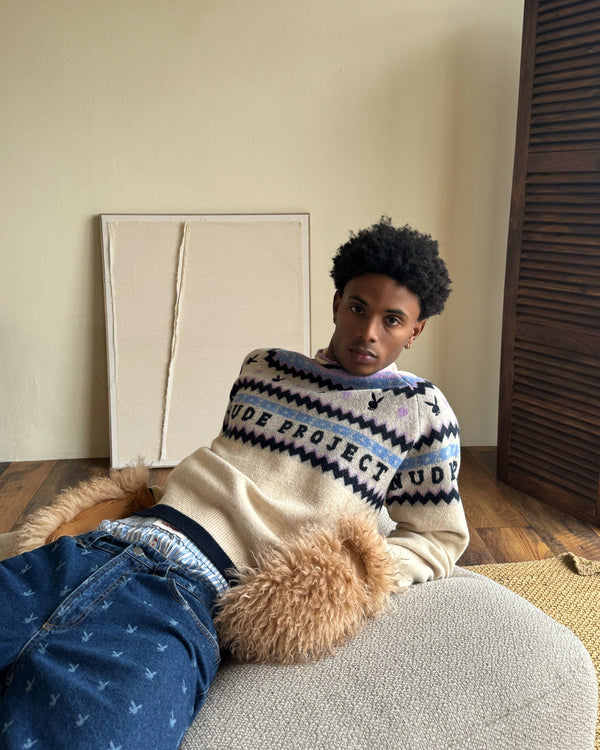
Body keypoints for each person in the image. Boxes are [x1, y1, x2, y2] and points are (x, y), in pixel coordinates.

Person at [0, 216, 469, 749]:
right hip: (98, 547)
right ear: (337, 302)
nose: (369, 332)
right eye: (358, 308)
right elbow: (232, 464)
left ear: (416, 330)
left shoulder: (419, 410)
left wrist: (358, 573)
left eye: (393, 320)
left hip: (187, 599)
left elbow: (439, 538)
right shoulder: (262, 368)